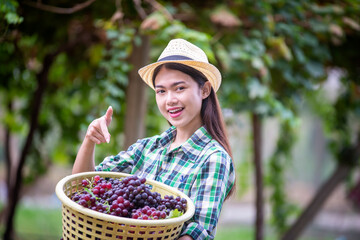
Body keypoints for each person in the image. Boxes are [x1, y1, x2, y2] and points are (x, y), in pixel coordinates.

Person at [73, 38, 236, 240]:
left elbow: (197, 233)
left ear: (204, 90)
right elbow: (83, 187)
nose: (170, 100)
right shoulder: (147, 148)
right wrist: (89, 140)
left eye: (179, 88)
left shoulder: (213, 158)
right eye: (161, 91)